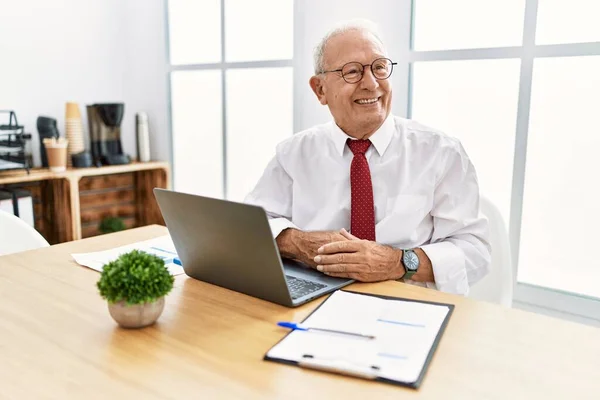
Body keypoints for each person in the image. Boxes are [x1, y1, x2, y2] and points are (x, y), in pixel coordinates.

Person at [245, 20, 490, 295]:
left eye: (379, 67)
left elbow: (475, 251)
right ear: (320, 90)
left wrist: (398, 262)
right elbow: (249, 225)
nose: (371, 84)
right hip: (315, 298)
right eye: (352, 72)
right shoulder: (293, 153)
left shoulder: (441, 152)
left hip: (407, 302)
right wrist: (297, 242)